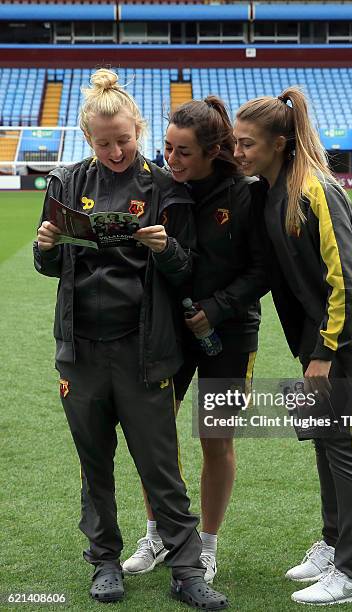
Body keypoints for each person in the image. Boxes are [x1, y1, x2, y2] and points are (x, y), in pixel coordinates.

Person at [34, 68, 228, 610]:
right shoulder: (67, 184)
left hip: (145, 352)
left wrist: (165, 248)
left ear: (137, 128)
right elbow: (48, 266)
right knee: (94, 466)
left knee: (161, 467)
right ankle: (104, 563)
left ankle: (187, 571)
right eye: (104, 143)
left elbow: (187, 272)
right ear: (87, 140)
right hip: (80, 352)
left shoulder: (166, 188)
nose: (116, 150)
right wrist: (48, 244)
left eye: (124, 139)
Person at [233, 88, 352, 606]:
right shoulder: (270, 187)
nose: (238, 152)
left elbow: (345, 281)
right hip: (326, 337)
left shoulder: (316, 191)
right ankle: (333, 546)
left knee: (346, 446)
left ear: (280, 144)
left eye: (247, 144)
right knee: (325, 440)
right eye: (235, 143)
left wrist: (326, 352)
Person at [122, 96, 268, 583]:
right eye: (166, 147)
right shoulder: (161, 187)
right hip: (171, 328)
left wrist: (217, 309)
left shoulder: (245, 193)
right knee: (155, 433)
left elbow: (263, 269)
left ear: (211, 152)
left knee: (214, 436)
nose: (171, 159)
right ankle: (160, 534)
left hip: (231, 332)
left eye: (183, 151)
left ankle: (205, 545)